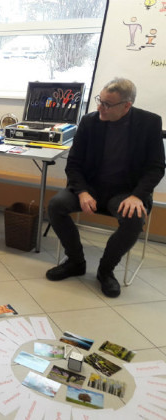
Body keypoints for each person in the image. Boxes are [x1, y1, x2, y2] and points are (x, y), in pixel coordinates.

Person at [46, 78, 165, 297]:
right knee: (56, 205)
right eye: (99, 100)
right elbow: (74, 164)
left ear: (126, 106)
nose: (100, 107)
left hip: (126, 192)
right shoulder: (89, 122)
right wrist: (82, 192)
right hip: (91, 188)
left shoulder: (149, 123)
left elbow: (156, 168)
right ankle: (75, 262)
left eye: (107, 104)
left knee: (134, 218)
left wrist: (138, 196)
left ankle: (106, 270)